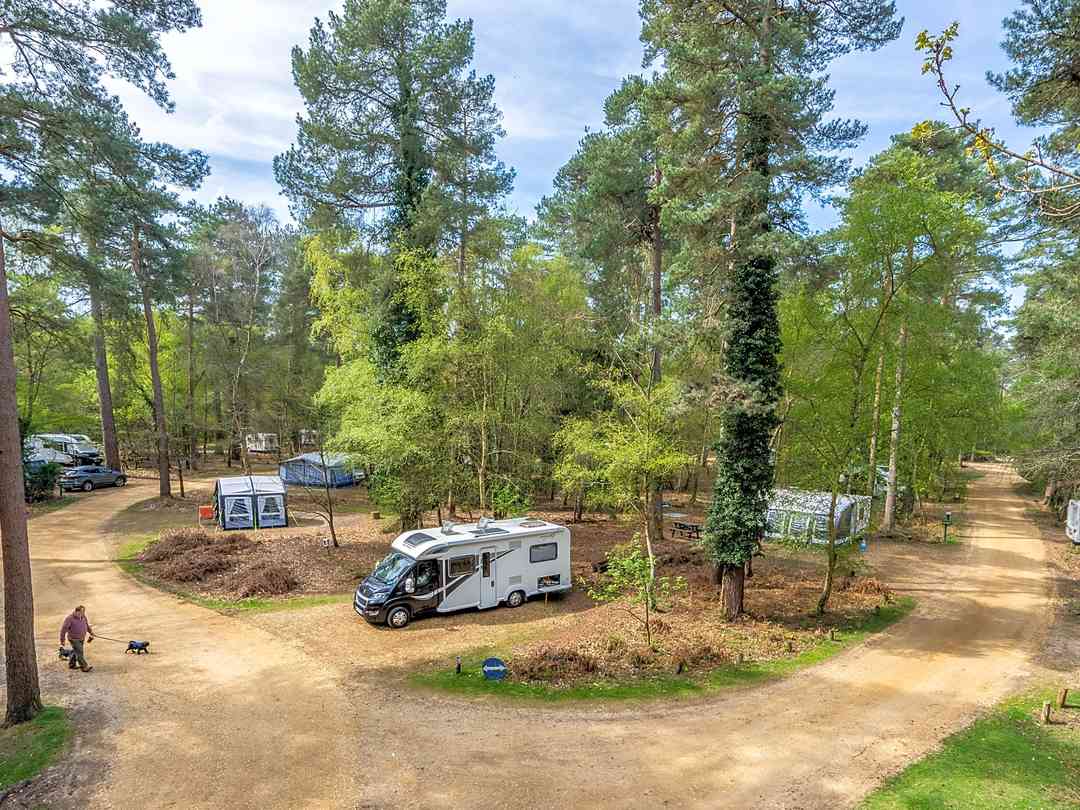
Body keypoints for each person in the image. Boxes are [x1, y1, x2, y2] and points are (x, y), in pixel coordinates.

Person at [59, 605, 94, 672]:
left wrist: (91, 632)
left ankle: (71, 664)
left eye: (83, 612)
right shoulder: (69, 618)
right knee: (80, 652)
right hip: (73, 639)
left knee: (76, 651)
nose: (83, 613)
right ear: (76, 611)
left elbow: (86, 625)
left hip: (81, 638)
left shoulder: (83, 617)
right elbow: (63, 630)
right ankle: (84, 667)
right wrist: (62, 640)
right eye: (81, 612)